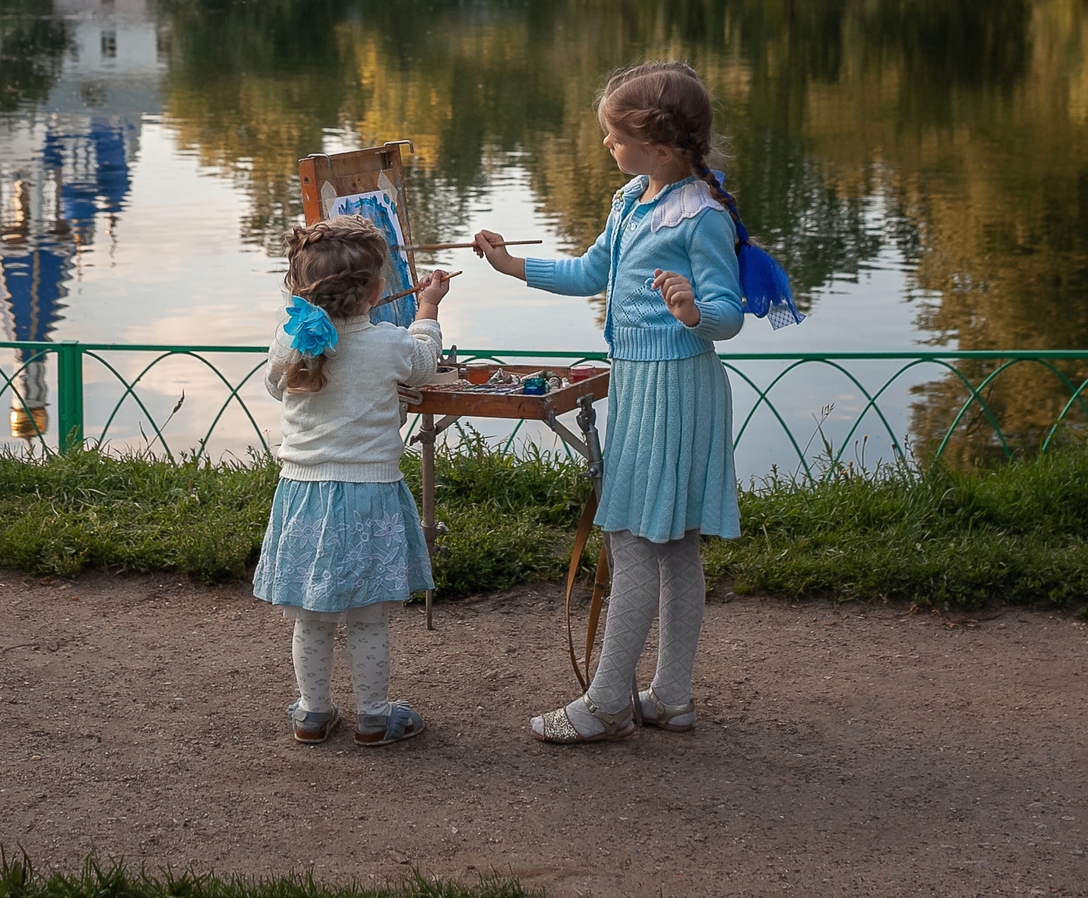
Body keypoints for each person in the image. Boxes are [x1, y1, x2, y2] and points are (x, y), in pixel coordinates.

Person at [473, 60, 750, 742]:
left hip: (677, 388)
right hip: (640, 383)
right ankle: (672, 698)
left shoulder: (702, 216)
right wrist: (512, 266)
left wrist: (691, 311)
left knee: (635, 540)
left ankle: (606, 703)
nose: (606, 144)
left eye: (615, 135)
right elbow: (593, 270)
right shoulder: (632, 197)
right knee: (673, 544)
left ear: (660, 145)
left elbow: (729, 314)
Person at [252, 214, 447, 747]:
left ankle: (313, 714)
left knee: (311, 617)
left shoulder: (292, 339)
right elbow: (425, 365)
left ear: (299, 288)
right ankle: (374, 717)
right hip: (369, 497)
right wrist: (427, 307)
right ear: (380, 289)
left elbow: (277, 388)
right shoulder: (388, 343)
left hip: (303, 496)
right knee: (367, 619)